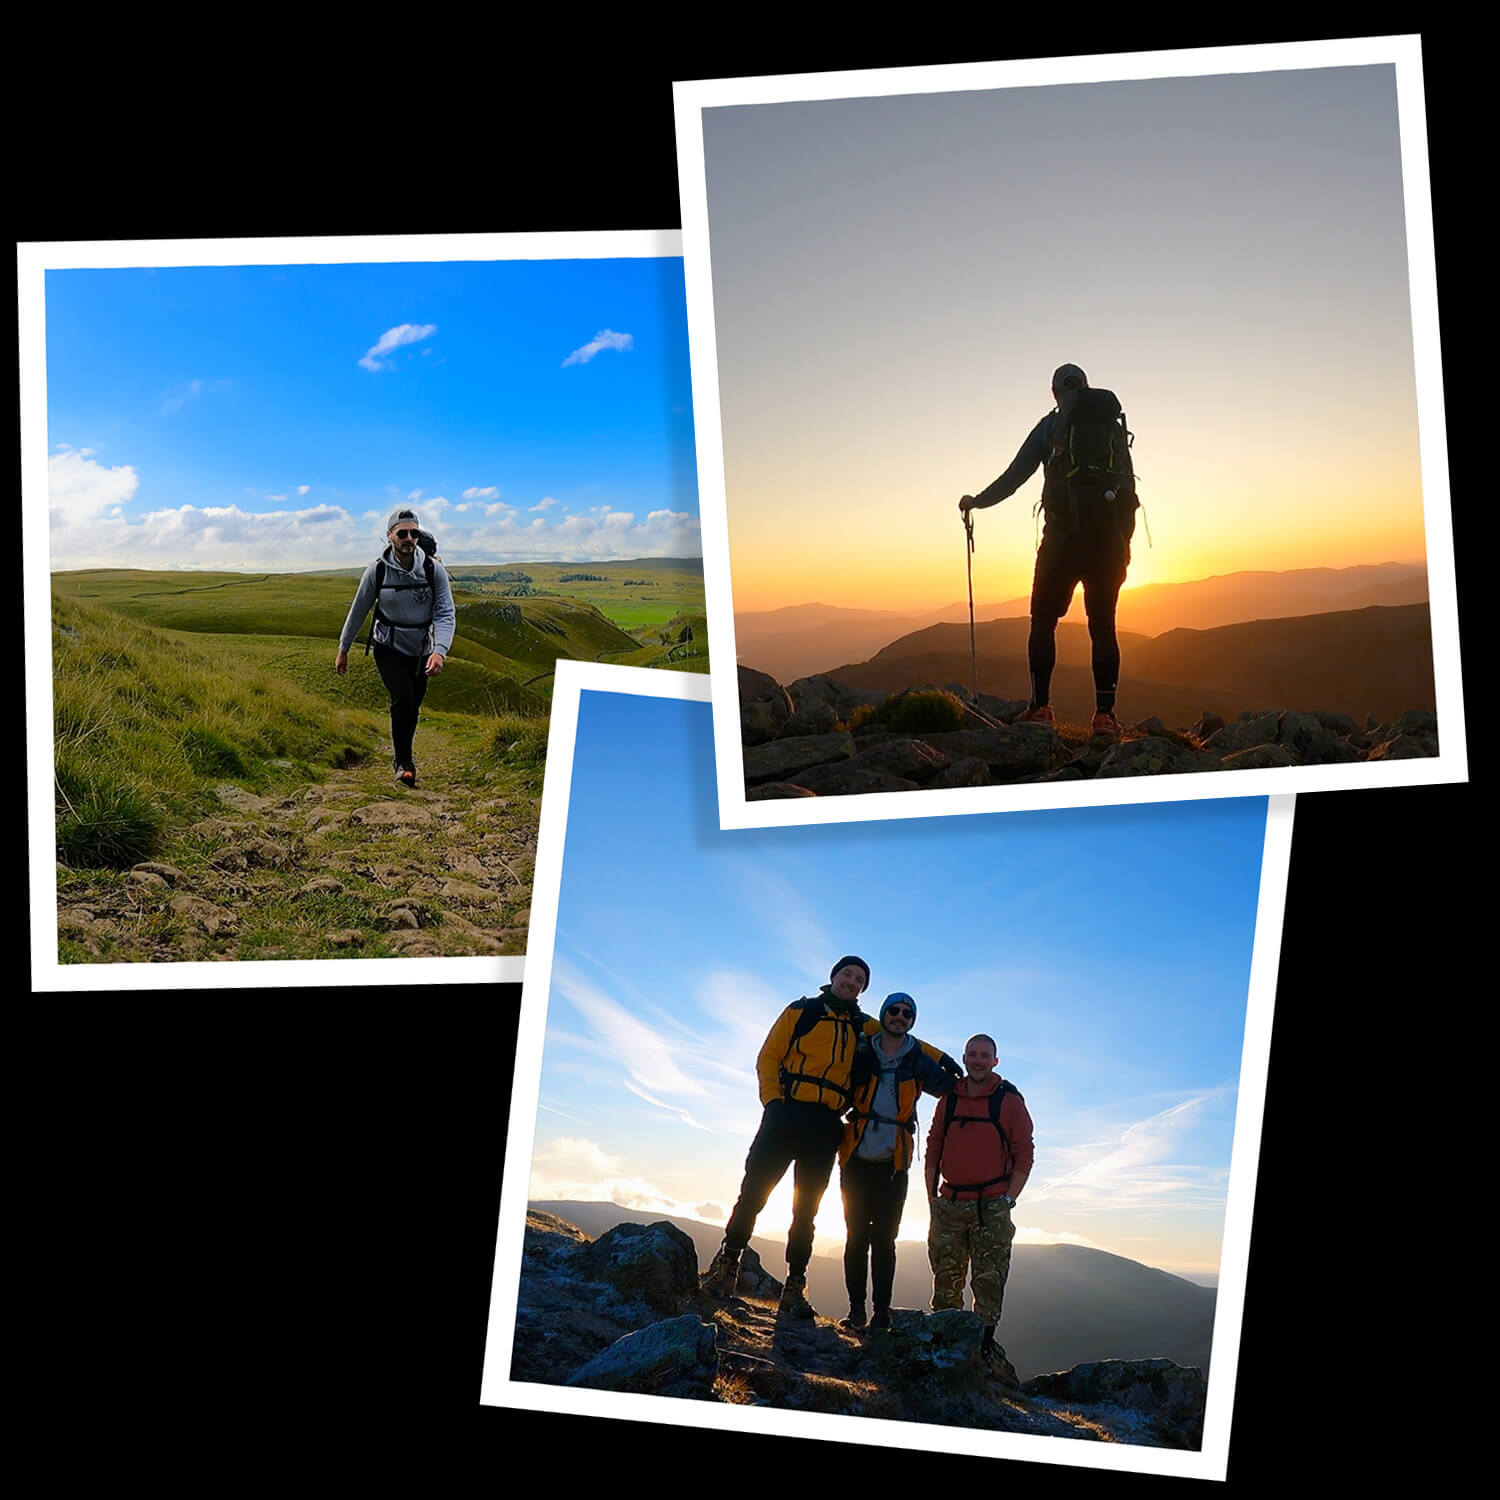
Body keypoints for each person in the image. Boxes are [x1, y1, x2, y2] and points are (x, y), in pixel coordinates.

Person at [958, 363, 1137, 738]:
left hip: (1062, 539)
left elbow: (1014, 477)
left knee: (1043, 621)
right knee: (1103, 626)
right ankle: (1105, 716)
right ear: (1086, 388)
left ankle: (1040, 708)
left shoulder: (1049, 428)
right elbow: (1128, 493)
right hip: (1108, 541)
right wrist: (1124, 545)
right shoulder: (1112, 427)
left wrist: (976, 501)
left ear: (1055, 393)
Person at [704, 956, 879, 1319]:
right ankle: (727, 1266)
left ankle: (795, 1287)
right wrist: (773, 1101)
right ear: (833, 976)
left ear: (862, 988)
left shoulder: (865, 1027)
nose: (851, 981)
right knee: (753, 1193)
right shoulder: (802, 1011)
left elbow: (904, 1040)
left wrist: (941, 1059)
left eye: (859, 979)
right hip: (785, 1115)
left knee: (807, 1210)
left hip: (827, 1125)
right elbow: (769, 1055)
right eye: (847, 974)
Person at [837, 992, 960, 1332]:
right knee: (856, 1236)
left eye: (907, 1013)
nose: (900, 1016)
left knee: (885, 1240)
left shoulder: (916, 1059)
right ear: (884, 1013)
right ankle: (857, 1310)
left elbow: (952, 1090)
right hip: (856, 1157)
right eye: (894, 1010)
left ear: (912, 1021)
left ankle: (880, 1313)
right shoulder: (861, 1047)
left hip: (894, 1162)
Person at [925, 1033, 1034, 1366]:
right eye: (972, 1054)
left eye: (984, 1055)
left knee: (989, 1280)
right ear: (964, 1057)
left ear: (995, 1061)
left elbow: (1024, 1154)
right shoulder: (950, 1100)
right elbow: (933, 1149)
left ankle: (983, 1349)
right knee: (946, 1278)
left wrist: (1007, 1200)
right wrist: (932, 1199)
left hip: (992, 1205)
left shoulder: (1009, 1100)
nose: (977, 1060)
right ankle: (943, 1342)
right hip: (951, 1201)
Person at [335, 507, 456, 788]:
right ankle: (404, 763)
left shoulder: (433, 569)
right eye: (402, 533)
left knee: (412, 705)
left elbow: (445, 613)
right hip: (387, 645)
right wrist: (344, 648)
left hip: (422, 649)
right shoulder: (376, 571)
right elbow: (358, 611)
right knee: (402, 699)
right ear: (390, 536)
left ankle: (404, 756)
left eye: (414, 533)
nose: (409, 538)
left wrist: (440, 650)